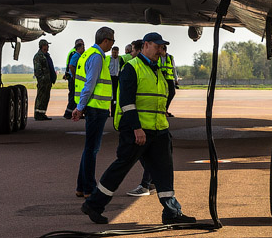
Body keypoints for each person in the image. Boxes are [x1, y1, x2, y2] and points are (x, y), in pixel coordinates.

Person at [81, 32, 195, 225]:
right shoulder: (132, 68)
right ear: (146, 45)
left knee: (164, 170)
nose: (161, 51)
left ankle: (171, 212)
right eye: (158, 46)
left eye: (162, 47)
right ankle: (94, 203)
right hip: (138, 131)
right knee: (121, 167)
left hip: (158, 130)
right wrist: (136, 128)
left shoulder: (156, 69)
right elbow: (126, 102)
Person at [72, 27, 115, 198]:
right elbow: (89, 85)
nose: (112, 45)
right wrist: (80, 107)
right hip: (96, 108)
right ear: (106, 40)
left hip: (93, 107)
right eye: (112, 41)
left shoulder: (87, 54)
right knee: (92, 149)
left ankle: (81, 186)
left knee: (89, 148)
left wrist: (80, 106)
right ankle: (89, 188)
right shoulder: (97, 57)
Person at [32, 39, 56, 121]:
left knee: (46, 98)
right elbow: (37, 70)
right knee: (41, 98)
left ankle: (42, 113)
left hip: (48, 81)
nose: (48, 47)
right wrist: (42, 80)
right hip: (43, 82)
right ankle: (38, 114)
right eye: (46, 45)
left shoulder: (46, 55)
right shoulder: (38, 56)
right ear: (43, 46)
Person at [64, 38, 85, 118]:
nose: (84, 49)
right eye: (83, 47)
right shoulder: (75, 55)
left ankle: (73, 112)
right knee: (73, 96)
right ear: (79, 48)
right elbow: (71, 66)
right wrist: (74, 76)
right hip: (74, 79)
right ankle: (68, 113)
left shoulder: (78, 55)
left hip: (75, 79)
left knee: (75, 96)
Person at [158, 44, 178, 116]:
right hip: (161, 79)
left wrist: (176, 79)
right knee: (162, 95)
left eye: (161, 49)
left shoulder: (170, 57)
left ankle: (165, 109)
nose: (159, 50)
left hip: (169, 79)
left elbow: (173, 68)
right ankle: (163, 110)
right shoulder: (157, 57)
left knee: (172, 93)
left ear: (164, 50)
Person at [109, 46, 121, 117]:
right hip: (110, 78)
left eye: (116, 53)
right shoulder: (108, 59)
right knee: (110, 96)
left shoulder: (120, 59)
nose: (114, 54)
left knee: (116, 97)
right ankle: (109, 112)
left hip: (117, 78)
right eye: (113, 52)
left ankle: (114, 113)